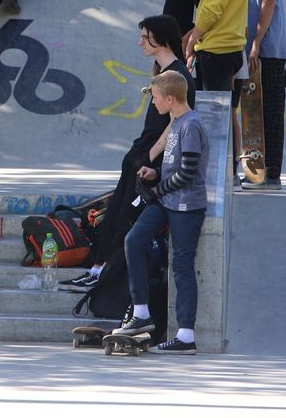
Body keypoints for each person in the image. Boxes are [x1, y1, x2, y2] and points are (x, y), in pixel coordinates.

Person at [60, 15, 195, 292]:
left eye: (145, 37)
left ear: (161, 38)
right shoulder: (164, 70)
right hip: (139, 154)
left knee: (125, 219)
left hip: (148, 160)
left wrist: (150, 156)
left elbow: (176, 122)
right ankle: (96, 269)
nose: (140, 42)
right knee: (114, 215)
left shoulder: (178, 75)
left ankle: (103, 273)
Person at [115, 70, 209, 354]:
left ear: (170, 98)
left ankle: (185, 335)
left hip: (186, 206)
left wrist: (156, 189)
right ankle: (141, 313)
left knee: (181, 266)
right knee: (133, 240)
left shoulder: (190, 125)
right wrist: (155, 173)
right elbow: (174, 168)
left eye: (155, 98)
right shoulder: (176, 122)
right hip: (167, 200)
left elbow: (189, 173)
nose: (153, 103)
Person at [221, 0, 286, 191]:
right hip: (246, 46)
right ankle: (254, 170)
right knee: (251, 110)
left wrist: (257, 43)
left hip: (267, 48)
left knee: (270, 109)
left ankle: (271, 172)